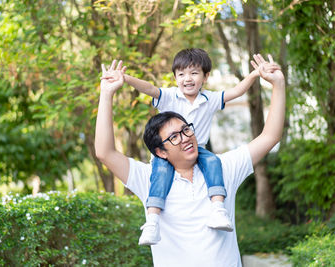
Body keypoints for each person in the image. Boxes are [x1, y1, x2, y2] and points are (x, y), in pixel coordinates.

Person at [95, 54, 285, 266]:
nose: (185, 137)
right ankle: (151, 221)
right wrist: (107, 93)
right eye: (174, 137)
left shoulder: (223, 168)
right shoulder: (148, 178)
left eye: (186, 129)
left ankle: (217, 209)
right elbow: (105, 152)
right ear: (160, 152)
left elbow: (270, 136)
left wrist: (278, 85)